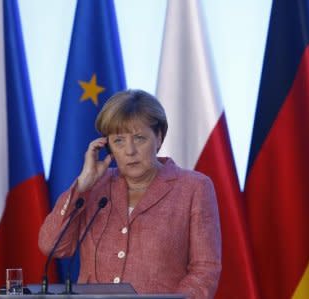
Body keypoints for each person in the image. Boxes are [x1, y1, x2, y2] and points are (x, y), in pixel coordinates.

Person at [39, 89, 221, 299]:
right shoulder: (94, 186)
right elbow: (52, 246)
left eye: (140, 138)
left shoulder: (194, 187)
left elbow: (205, 270)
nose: (130, 151)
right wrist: (82, 186)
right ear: (108, 147)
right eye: (118, 141)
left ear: (159, 137)